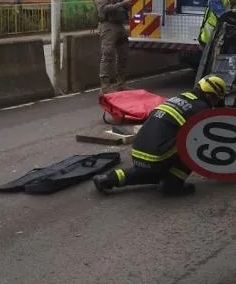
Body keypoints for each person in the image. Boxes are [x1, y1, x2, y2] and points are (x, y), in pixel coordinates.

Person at [93, 75, 228, 197]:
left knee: (151, 174)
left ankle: (107, 179)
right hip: (157, 156)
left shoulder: (179, 97)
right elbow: (215, 134)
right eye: (217, 99)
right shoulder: (201, 109)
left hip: (138, 152)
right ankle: (173, 185)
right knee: (195, 144)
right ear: (211, 96)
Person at [92, 0, 135, 94]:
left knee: (124, 53)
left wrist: (126, 5)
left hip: (118, 25)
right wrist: (121, 4)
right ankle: (105, 86)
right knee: (108, 55)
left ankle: (121, 83)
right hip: (107, 26)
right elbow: (103, 9)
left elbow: (116, 5)